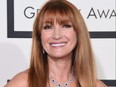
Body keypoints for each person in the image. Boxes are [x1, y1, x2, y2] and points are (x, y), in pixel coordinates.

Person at [5, 0, 107, 87]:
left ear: (78, 33)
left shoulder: (96, 85)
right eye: (48, 27)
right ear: (39, 36)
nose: (57, 35)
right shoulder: (22, 83)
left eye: (66, 26)